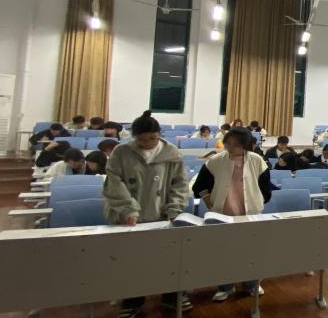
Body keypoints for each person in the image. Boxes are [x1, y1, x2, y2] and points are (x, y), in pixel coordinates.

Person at [103, 111, 190, 316]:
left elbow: (180, 184)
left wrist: (174, 208)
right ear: (134, 138)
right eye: (142, 140)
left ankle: (172, 297)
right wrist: (128, 209)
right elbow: (114, 182)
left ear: (159, 134)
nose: (148, 143)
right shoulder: (121, 152)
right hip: (129, 215)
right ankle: (132, 301)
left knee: (168, 258)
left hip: (161, 214)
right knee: (133, 261)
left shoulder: (172, 153)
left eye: (152, 138)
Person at [191, 127, 271, 301]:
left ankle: (252, 284)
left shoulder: (257, 160)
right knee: (224, 252)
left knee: (251, 251)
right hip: (222, 214)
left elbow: (266, 189)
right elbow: (199, 186)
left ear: (245, 146)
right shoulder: (215, 161)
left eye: (236, 145)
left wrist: (257, 201)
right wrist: (210, 203)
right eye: (228, 143)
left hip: (250, 214)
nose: (230, 148)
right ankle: (225, 287)